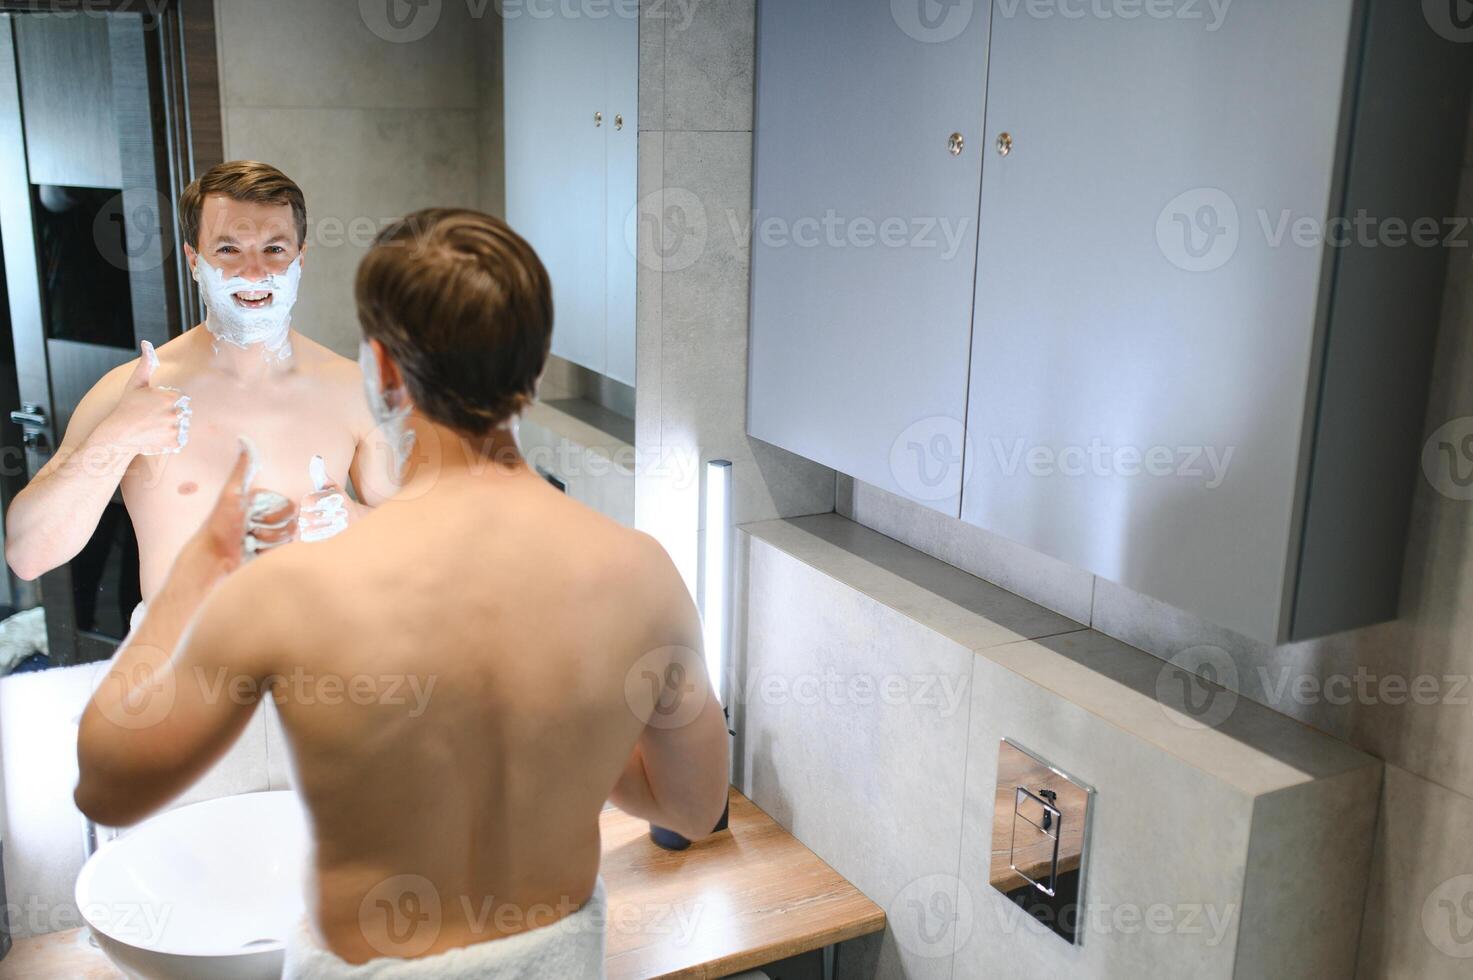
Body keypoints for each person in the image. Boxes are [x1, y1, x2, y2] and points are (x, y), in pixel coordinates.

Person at [73, 209, 731, 978]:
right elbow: (692, 807)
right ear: (537, 365)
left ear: (381, 371)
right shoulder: (640, 572)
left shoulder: (294, 592)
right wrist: (565, 723)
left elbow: (108, 786)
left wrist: (192, 582)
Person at [5, 161, 393, 628]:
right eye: (228, 249)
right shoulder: (134, 391)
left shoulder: (350, 388)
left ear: (300, 258)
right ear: (194, 261)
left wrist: (355, 518)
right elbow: (28, 554)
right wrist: (115, 439)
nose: (254, 272)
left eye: (274, 249)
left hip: (316, 662)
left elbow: (419, 547)